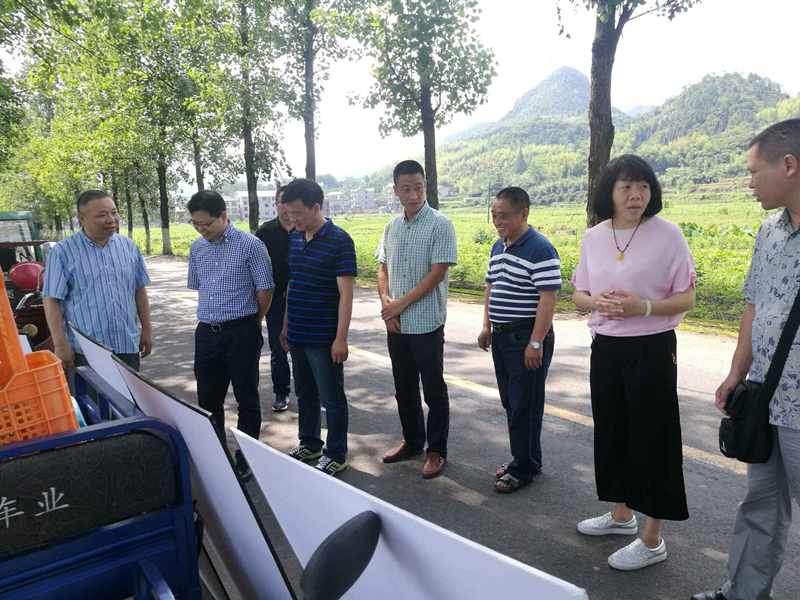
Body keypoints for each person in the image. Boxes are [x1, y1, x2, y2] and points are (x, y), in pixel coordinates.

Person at [571, 154, 696, 571]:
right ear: (608, 192)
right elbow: (579, 293)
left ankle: (652, 538)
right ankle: (621, 515)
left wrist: (644, 307)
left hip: (652, 347)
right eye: (625, 186)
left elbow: (688, 297)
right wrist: (597, 302)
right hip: (606, 347)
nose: (635, 195)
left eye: (643, 186)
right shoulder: (594, 237)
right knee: (613, 431)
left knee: (654, 436)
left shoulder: (668, 234)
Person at [693, 120, 800, 600]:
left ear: (789, 165)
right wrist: (737, 373)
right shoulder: (768, 231)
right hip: (764, 395)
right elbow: (753, 306)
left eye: (755, 171)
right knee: (760, 504)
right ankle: (743, 594)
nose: (749, 182)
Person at [377, 160, 458, 479]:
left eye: (419, 187)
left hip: (426, 324)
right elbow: (382, 268)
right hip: (396, 325)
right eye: (406, 189)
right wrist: (386, 303)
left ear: (426, 186)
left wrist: (399, 304)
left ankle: (436, 450)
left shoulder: (440, 224)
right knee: (404, 388)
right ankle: (412, 441)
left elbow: (438, 273)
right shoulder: (391, 227)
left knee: (433, 389)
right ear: (396, 191)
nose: (413, 195)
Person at [187, 190, 274, 482]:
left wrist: (252, 322)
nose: (201, 229)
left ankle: (246, 458)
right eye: (196, 224)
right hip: (206, 333)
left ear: (223, 216)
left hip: (241, 332)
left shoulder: (251, 245)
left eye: (206, 223)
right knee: (208, 400)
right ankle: (216, 457)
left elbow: (265, 290)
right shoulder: (197, 248)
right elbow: (200, 286)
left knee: (246, 398)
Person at [477, 187, 560, 493]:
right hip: (502, 336)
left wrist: (536, 343)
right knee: (512, 402)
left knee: (525, 404)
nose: (498, 222)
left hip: (526, 336)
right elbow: (491, 287)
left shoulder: (541, 249)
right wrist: (486, 326)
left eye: (504, 216)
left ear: (523, 214)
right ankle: (526, 459)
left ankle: (522, 468)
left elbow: (548, 299)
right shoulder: (498, 247)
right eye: (494, 216)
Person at [279, 179, 356, 476]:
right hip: (297, 333)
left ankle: (336, 453)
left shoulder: (340, 240)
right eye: (288, 213)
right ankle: (310, 442)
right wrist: (285, 325)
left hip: (323, 337)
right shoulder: (296, 238)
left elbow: (346, 295)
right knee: (305, 393)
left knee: (332, 398)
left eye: (297, 213)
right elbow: (293, 284)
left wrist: (341, 338)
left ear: (316, 208)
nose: (292, 219)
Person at [43, 189, 152, 374]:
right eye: (102, 215)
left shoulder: (129, 247)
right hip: (86, 351)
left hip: (127, 344)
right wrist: (60, 344)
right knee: (92, 394)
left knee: (130, 394)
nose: (111, 220)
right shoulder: (62, 252)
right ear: (82, 218)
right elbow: (51, 300)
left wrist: (147, 330)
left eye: (114, 212)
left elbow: (139, 290)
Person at [255, 186, 293, 412]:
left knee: (304, 349)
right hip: (275, 299)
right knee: (278, 347)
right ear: (276, 204)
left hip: (303, 299)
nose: (286, 208)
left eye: (290, 203)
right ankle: (281, 391)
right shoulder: (265, 232)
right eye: (282, 203)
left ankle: (310, 391)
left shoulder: (306, 229)